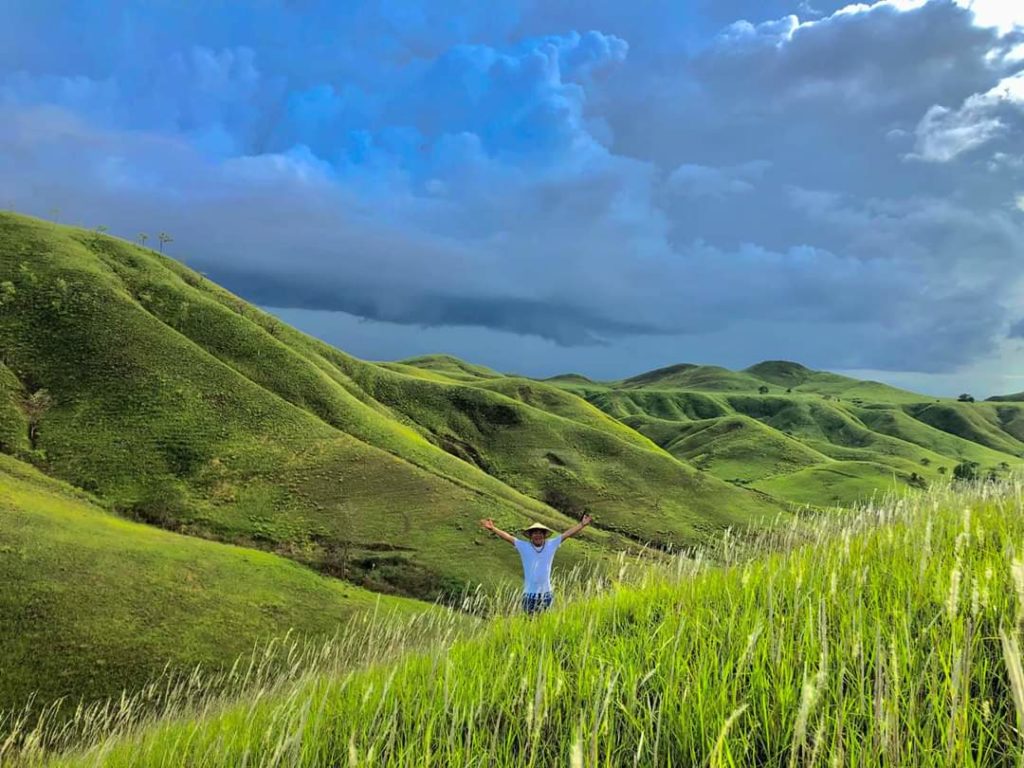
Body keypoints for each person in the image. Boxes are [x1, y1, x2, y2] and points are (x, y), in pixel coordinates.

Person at [480, 514, 593, 614]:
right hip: (529, 596)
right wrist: (493, 529)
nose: (537, 535)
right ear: (530, 536)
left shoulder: (551, 545)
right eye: (535, 533)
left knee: (545, 626)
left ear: (544, 535)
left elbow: (567, 534)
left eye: (540, 533)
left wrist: (582, 525)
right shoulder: (524, 546)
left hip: (546, 595)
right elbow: (508, 537)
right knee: (529, 626)